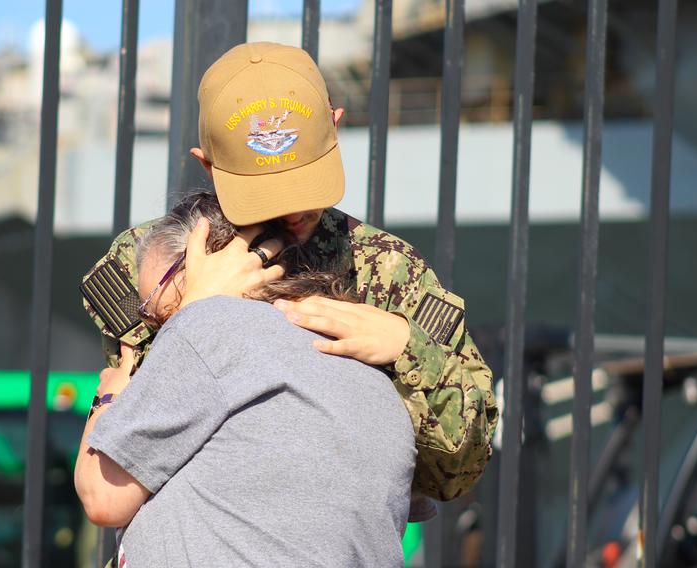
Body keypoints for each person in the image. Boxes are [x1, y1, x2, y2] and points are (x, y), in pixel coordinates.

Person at [81, 42, 497, 502]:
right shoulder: (151, 261)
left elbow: (458, 473)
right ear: (208, 165)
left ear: (336, 129)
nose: (295, 211)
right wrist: (197, 311)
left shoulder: (388, 270)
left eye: (305, 181)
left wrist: (406, 349)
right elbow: (131, 439)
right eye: (265, 191)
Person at [75, 193, 417, 567]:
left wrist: (109, 396)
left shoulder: (208, 329)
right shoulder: (380, 388)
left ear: (209, 262)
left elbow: (103, 496)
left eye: (156, 312)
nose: (155, 335)